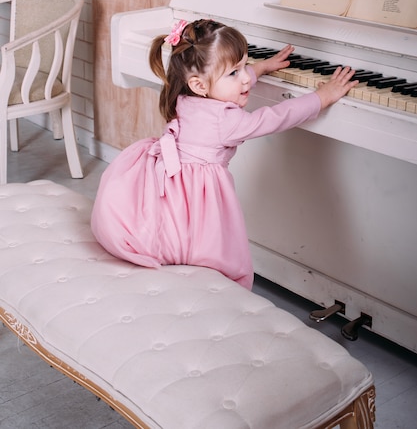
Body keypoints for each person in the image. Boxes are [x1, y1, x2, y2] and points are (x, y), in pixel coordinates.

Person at [91, 18, 358, 290]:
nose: (244, 78)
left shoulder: (188, 95)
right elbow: (278, 116)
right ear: (198, 84)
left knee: (171, 225)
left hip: (172, 180)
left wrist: (260, 68)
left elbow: (222, 81)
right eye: (235, 73)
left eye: (244, 66)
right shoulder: (225, 120)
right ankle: (213, 287)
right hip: (197, 190)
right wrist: (322, 97)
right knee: (215, 248)